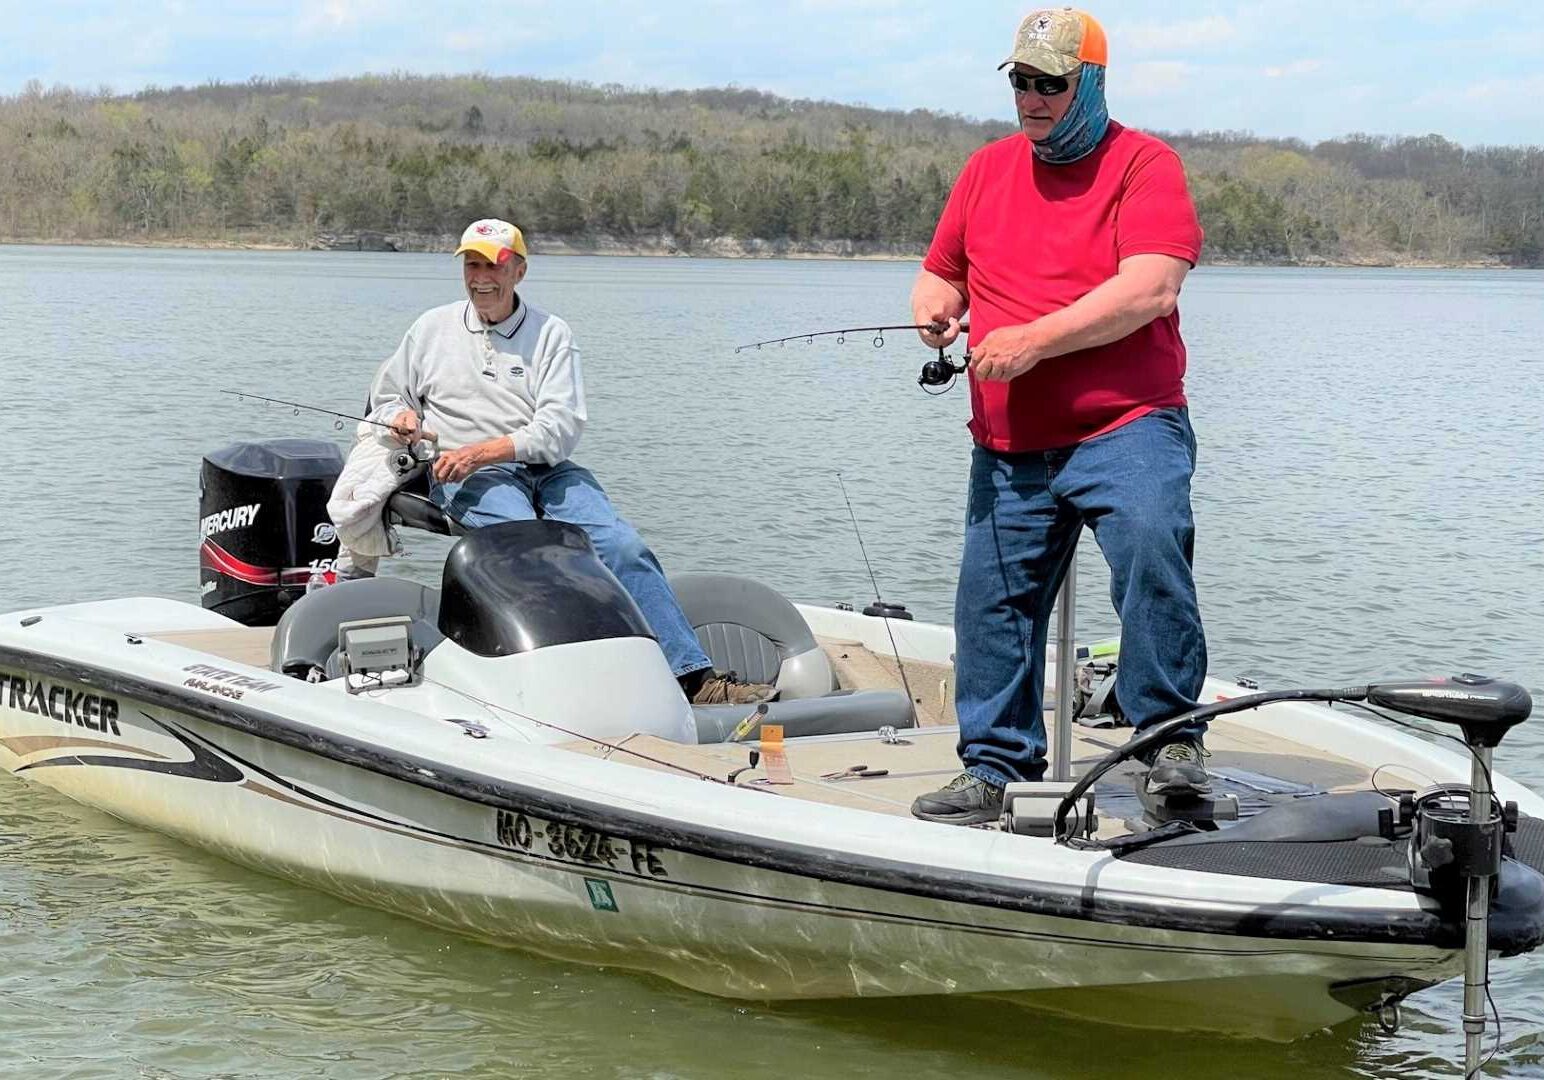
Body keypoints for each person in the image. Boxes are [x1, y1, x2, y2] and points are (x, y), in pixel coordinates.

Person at [908, 8, 1210, 825]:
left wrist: (1035, 341)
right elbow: (942, 272)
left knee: (1151, 548)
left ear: (1092, 84)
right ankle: (996, 766)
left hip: (1128, 423)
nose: (1033, 98)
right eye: (1022, 82)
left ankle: (1169, 744)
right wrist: (936, 307)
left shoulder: (1145, 166)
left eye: (1052, 83)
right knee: (990, 603)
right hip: (1009, 443)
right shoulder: (985, 170)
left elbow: (1151, 287)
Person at [367, 218, 773, 707]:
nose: (481, 278)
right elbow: (385, 398)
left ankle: (691, 677)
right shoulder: (430, 328)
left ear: (519, 271)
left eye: (493, 266)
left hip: (547, 469)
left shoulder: (552, 334)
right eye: (472, 265)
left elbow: (559, 428)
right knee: (531, 552)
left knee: (622, 547)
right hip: (467, 474)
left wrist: (487, 449)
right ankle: (560, 684)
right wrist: (401, 418)